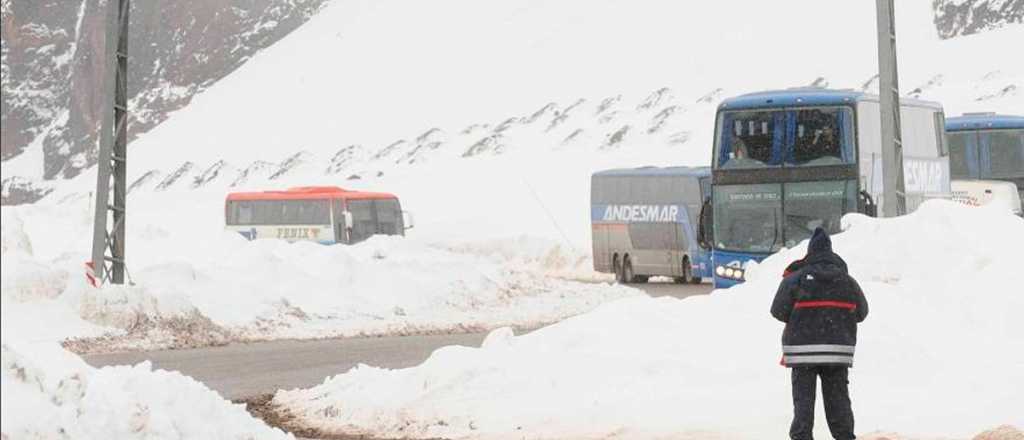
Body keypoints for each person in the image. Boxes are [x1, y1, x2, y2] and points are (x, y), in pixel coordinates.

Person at [771, 228, 868, 440]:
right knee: (838, 403)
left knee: (803, 404)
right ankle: (844, 436)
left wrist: (802, 319)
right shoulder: (847, 281)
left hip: (802, 352)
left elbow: (777, 310)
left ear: (810, 253)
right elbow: (862, 312)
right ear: (831, 253)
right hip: (837, 353)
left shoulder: (796, 279)